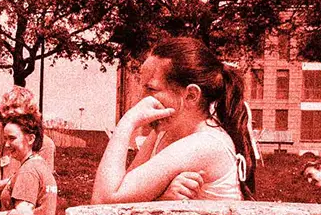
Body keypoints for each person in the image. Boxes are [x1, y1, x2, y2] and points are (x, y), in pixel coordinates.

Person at [91, 36, 255, 204]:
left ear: (191, 95)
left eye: (151, 89)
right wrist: (161, 198)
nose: (142, 99)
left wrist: (127, 123)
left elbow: (103, 201)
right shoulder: (164, 132)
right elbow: (123, 191)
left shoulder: (204, 144)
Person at [0, 86, 57, 167]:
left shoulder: (44, 144)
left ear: (29, 108)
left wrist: (10, 179)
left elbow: (39, 177)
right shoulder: (6, 143)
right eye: (7, 108)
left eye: (15, 106)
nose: (10, 111)